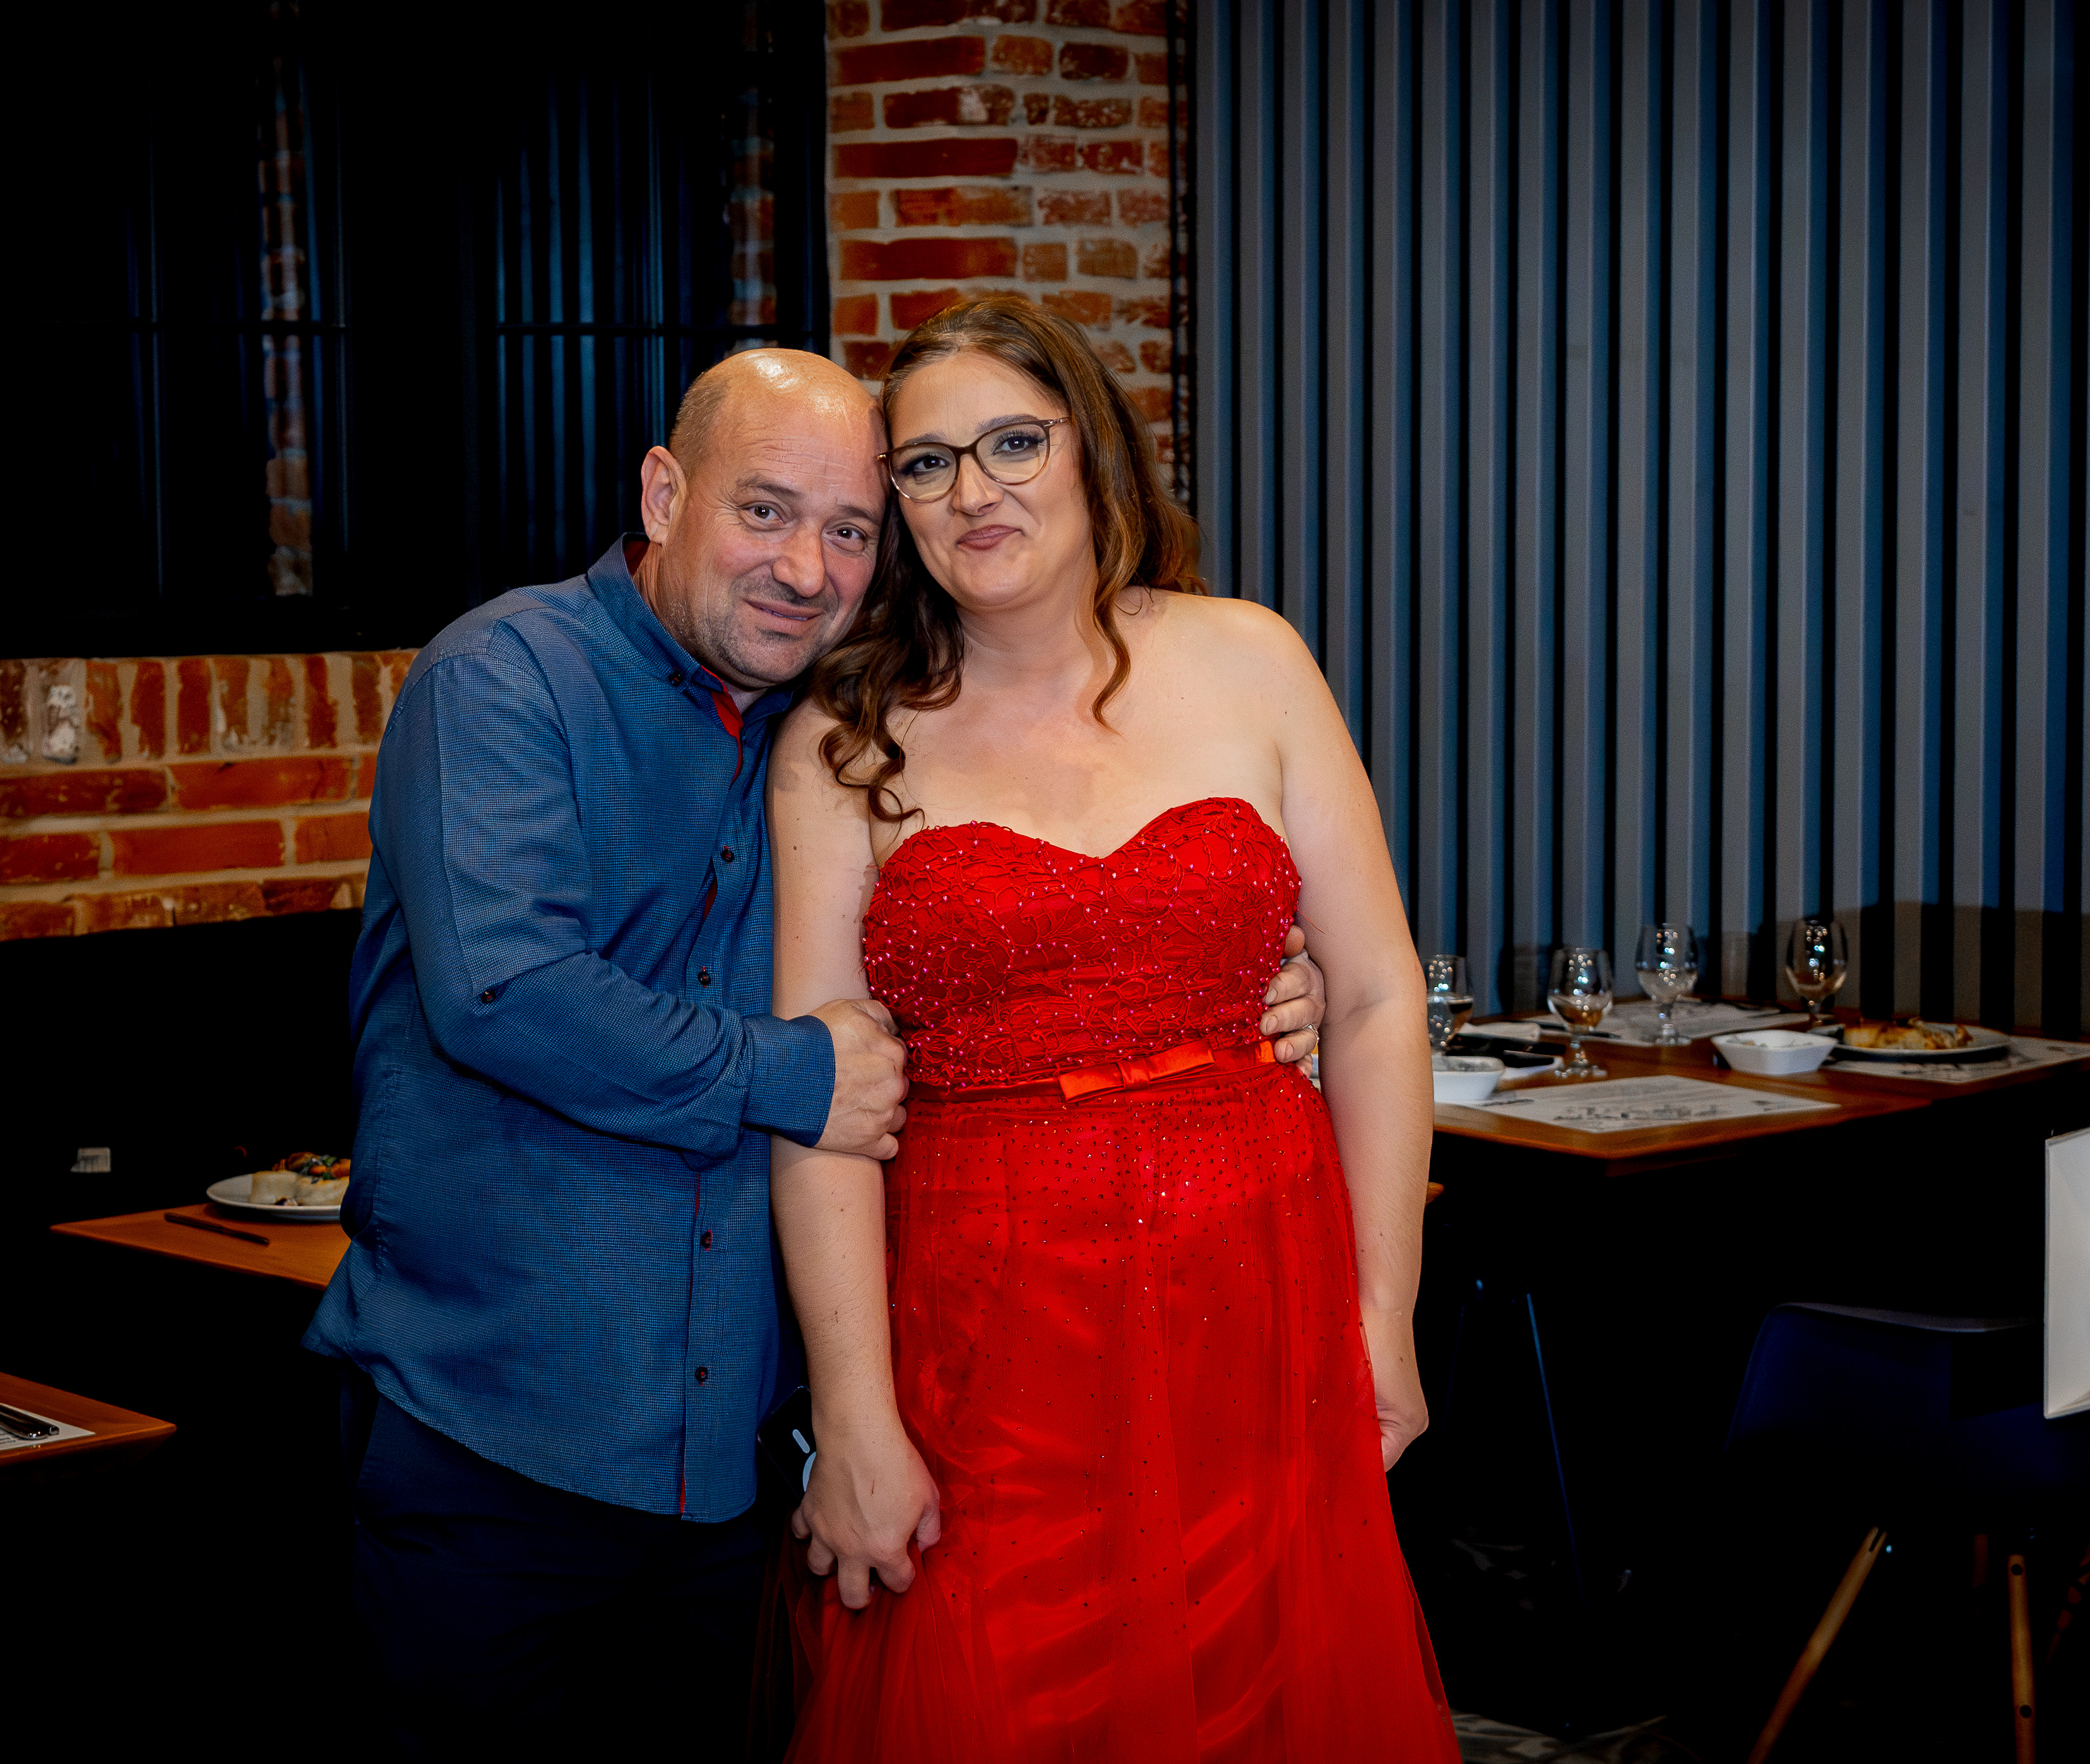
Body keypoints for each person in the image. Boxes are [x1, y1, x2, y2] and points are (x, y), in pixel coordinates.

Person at [300, 347, 1327, 1757]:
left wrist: (1254, 975)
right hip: (501, 1436)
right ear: (663, 495)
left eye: (850, 530)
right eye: (765, 511)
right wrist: (794, 1074)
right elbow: (507, 994)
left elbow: (975, 962)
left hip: (738, 1460)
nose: (805, 567)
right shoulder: (504, 676)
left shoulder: (840, 723)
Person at [766, 296, 1452, 1761]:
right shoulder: (842, 740)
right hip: (987, 1351)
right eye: (926, 463)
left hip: (1255, 1317)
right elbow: (819, 1106)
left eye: (1013, 443)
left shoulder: (1250, 660)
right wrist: (855, 1419)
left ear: (1092, 448)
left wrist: (1380, 1317)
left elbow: (1375, 995)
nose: (974, 490)